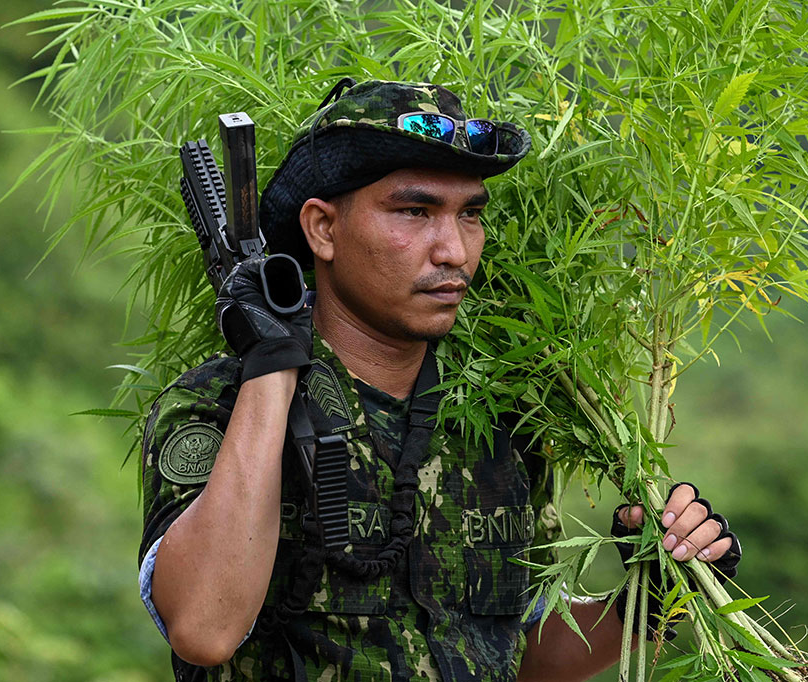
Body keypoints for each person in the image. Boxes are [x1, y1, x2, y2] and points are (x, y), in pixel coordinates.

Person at [137, 79, 741, 682]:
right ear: (322, 229)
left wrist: (649, 601)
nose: (453, 250)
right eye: (415, 211)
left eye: (470, 215)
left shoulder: (503, 420)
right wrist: (271, 365)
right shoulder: (213, 405)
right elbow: (203, 629)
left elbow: (515, 651)